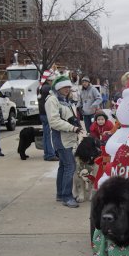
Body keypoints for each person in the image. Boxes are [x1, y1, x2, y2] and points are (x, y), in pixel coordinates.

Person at [45, 75, 82, 208]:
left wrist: (76, 125)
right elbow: (54, 121)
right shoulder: (52, 100)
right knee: (70, 166)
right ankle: (67, 196)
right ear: (58, 88)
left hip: (68, 138)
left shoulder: (63, 100)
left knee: (63, 166)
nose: (67, 89)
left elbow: (68, 117)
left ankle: (61, 194)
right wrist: (72, 127)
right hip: (61, 139)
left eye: (68, 87)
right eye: (65, 87)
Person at [38, 70, 58, 161]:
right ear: (50, 80)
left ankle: (47, 153)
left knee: (46, 135)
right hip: (47, 113)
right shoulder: (48, 88)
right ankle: (50, 154)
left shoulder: (41, 87)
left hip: (42, 113)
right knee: (49, 135)